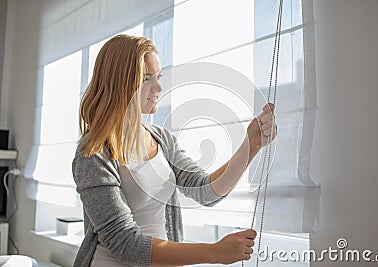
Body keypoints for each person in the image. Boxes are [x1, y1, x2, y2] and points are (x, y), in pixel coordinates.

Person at [72, 34, 277, 267]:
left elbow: (206, 192)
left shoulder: (161, 139)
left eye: (158, 76)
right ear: (119, 82)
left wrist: (250, 145)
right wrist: (214, 252)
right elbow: (125, 244)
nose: (159, 87)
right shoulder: (93, 153)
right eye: (146, 79)